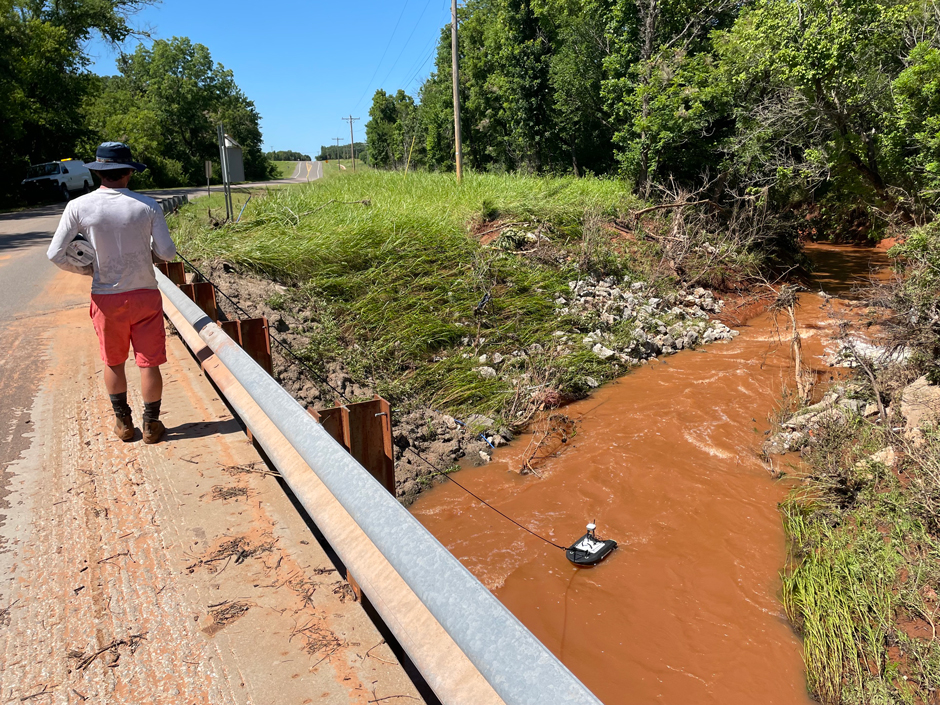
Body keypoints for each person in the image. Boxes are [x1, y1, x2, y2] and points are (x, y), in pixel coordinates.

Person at [47, 142, 177, 444]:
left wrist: (89, 270)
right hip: (145, 293)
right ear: (130, 172)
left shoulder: (78, 207)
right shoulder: (147, 206)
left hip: (106, 298)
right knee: (149, 362)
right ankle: (151, 425)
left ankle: (123, 424)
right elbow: (167, 253)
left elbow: (55, 253)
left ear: (97, 172)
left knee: (114, 362)